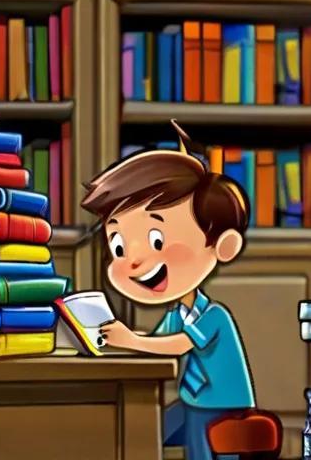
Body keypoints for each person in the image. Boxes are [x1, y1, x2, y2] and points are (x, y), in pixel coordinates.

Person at [80, 120, 256, 460]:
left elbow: (177, 345)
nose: (133, 261)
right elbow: (155, 342)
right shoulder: (178, 313)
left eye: (156, 239)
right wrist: (112, 341)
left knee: (193, 441)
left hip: (221, 407)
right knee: (145, 429)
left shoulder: (214, 316)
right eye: (118, 247)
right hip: (194, 402)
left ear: (223, 246)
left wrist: (131, 340)